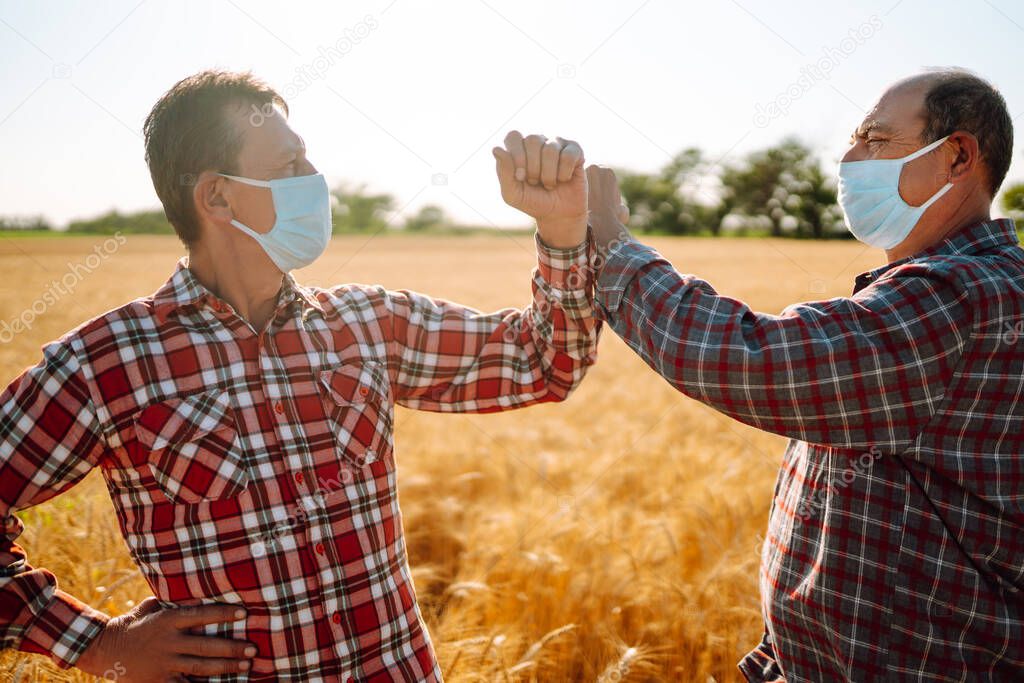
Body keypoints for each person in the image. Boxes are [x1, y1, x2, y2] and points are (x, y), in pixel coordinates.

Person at [0, 70, 599, 681]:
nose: (315, 179)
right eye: (291, 164)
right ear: (217, 197)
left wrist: (562, 228)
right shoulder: (107, 364)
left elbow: (544, 362)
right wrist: (96, 643)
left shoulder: (366, 321)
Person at [585, 67, 1022, 681]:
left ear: (956, 157)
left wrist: (612, 245)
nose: (850, 158)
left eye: (875, 139)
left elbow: (751, 360)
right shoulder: (962, 285)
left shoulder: (963, 297)